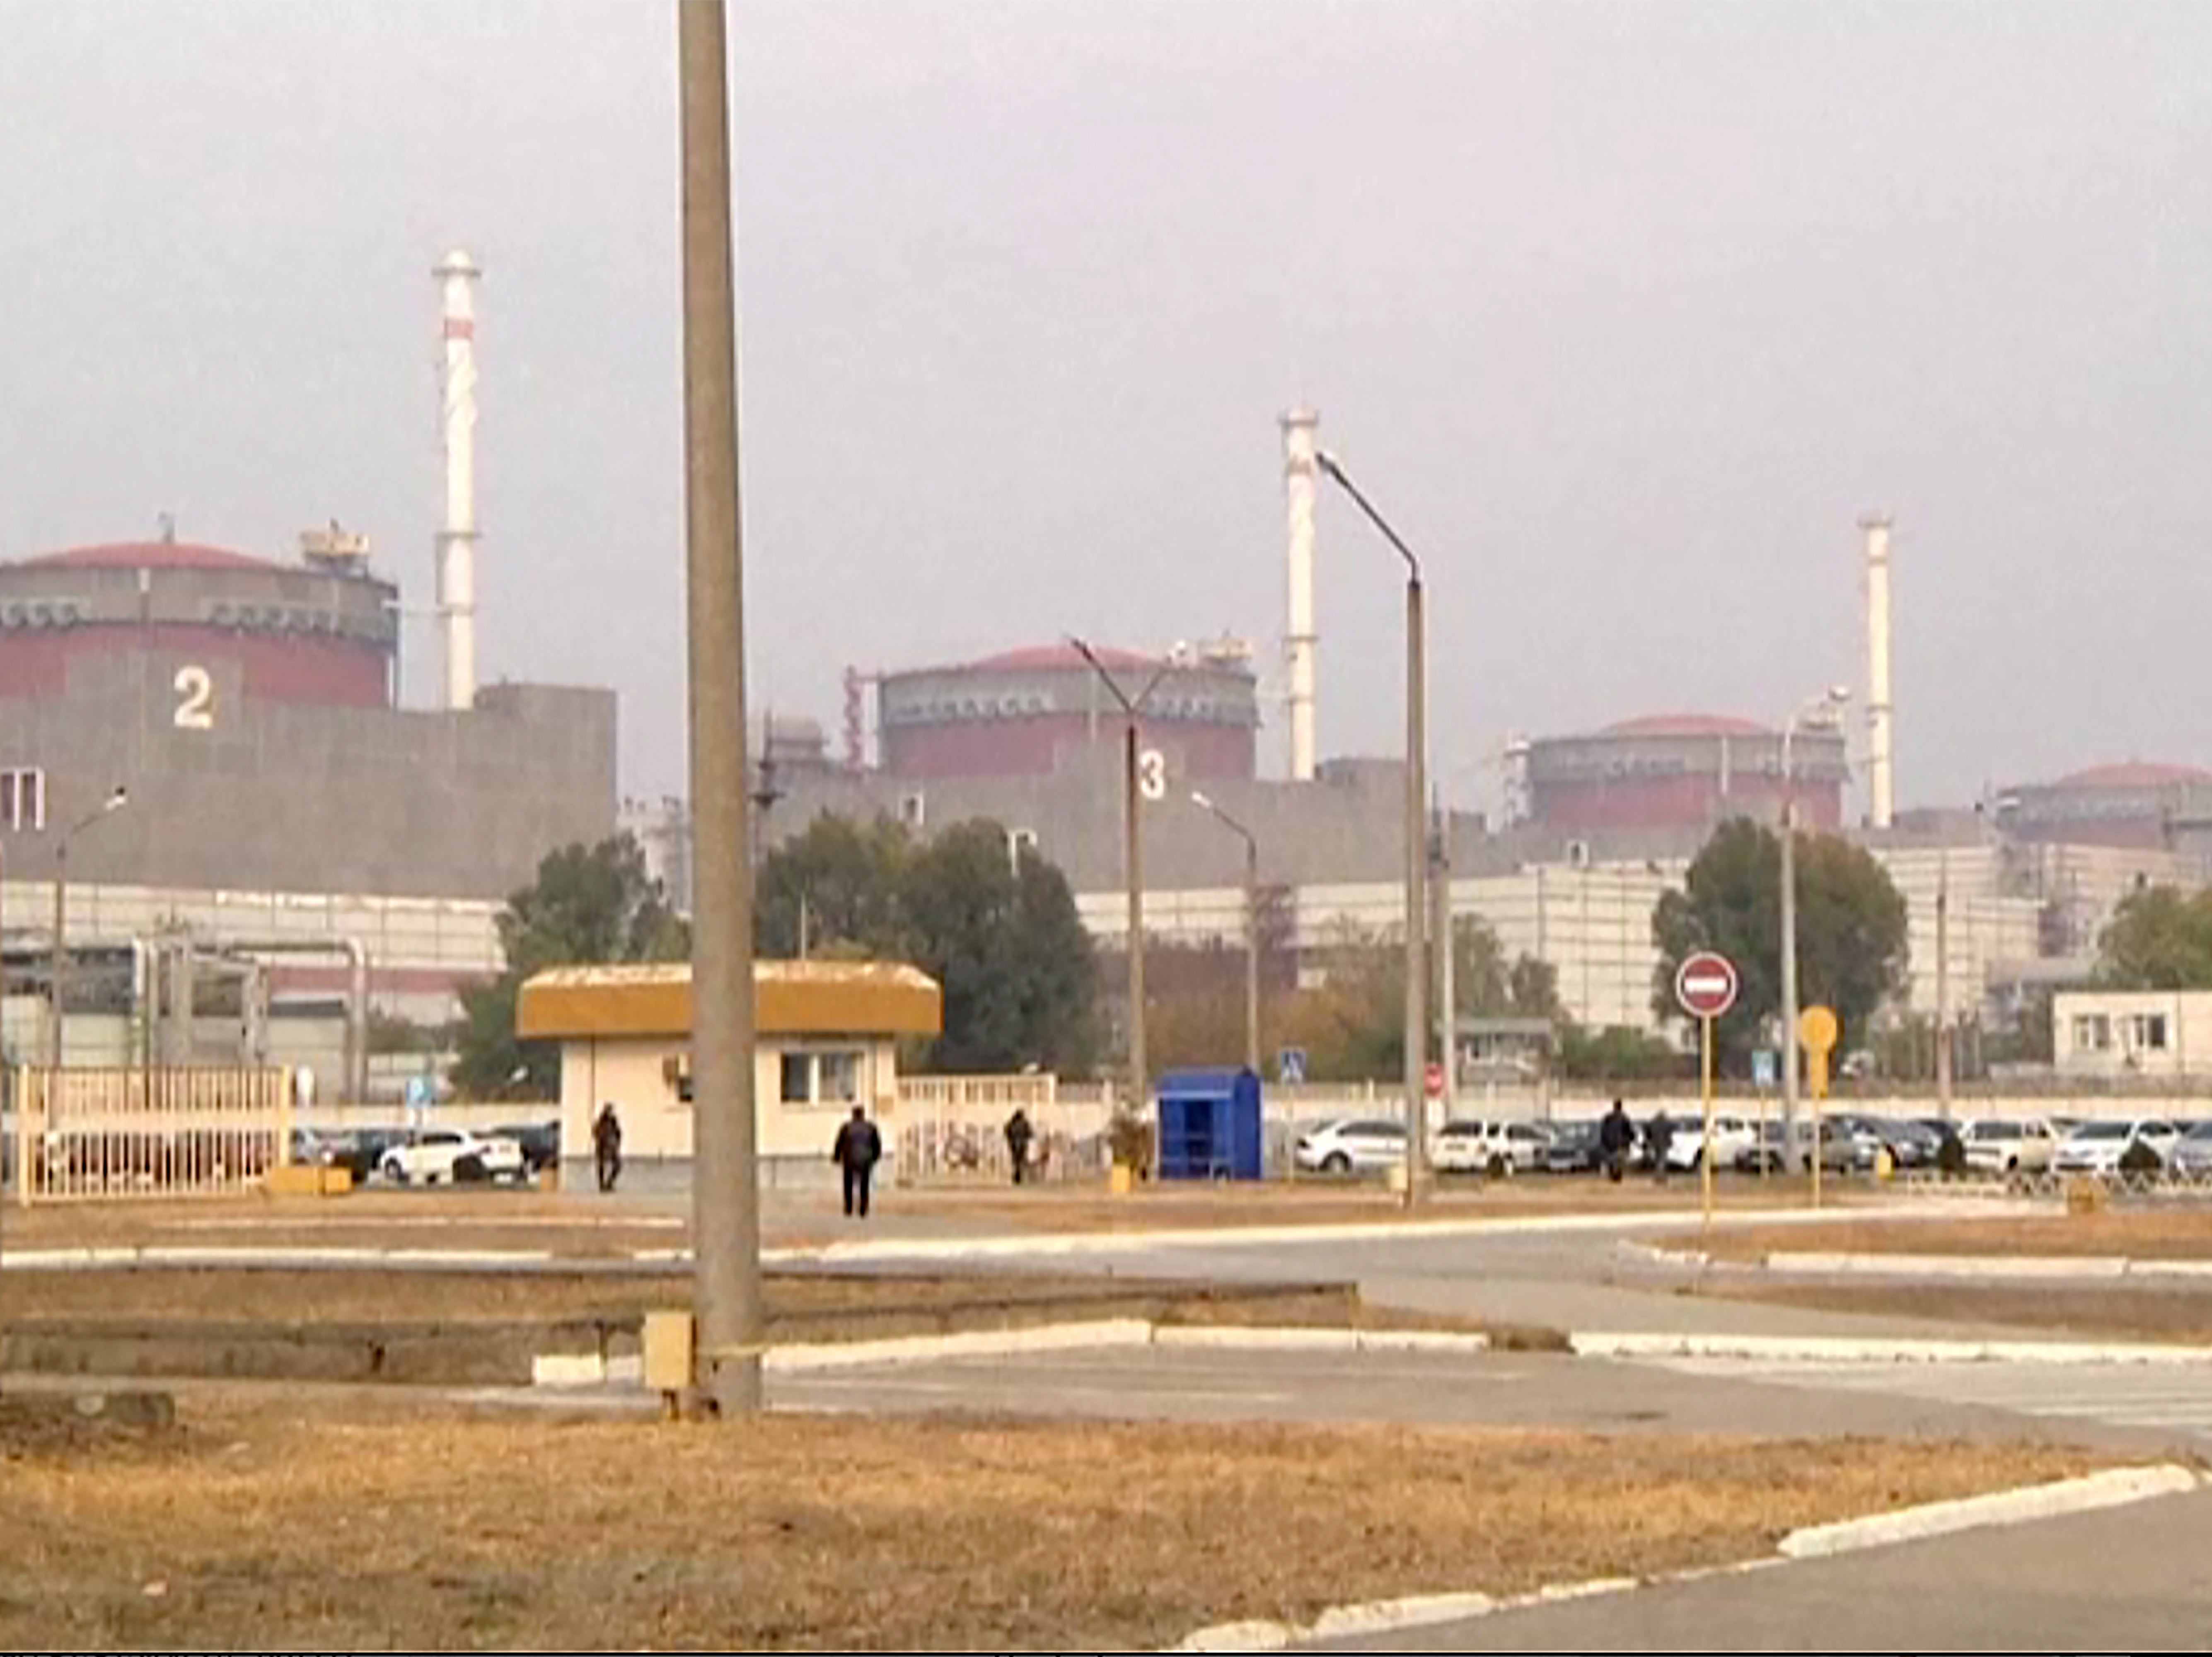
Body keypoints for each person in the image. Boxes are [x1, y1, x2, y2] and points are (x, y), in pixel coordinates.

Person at [831, 1104, 883, 1220]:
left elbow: (839, 1143)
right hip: (865, 1160)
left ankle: (848, 1208)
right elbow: (877, 1144)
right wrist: (876, 1157)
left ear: (853, 1115)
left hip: (849, 1159)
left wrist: (836, 1157)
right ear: (863, 1115)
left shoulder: (846, 1127)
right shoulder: (871, 1127)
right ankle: (863, 1208)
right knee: (864, 1185)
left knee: (848, 1184)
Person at [1598, 1098, 1634, 1184]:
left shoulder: (1608, 1118)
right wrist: (1631, 1139)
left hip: (1609, 1143)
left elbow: (1603, 1130)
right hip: (1621, 1142)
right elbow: (1628, 1131)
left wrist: (1604, 1140)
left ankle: (1612, 1174)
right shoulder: (1625, 1118)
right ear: (1621, 1107)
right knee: (1619, 1161)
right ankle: (1617, 1176)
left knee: (1611, 1160)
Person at [592, 1102, 623, 1193]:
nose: (611, 1113)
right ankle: (602, 1185)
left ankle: (609, 1183)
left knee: (618, 1166)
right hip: (603, 1147)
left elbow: (618, 1133)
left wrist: (617, 1143)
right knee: (601, 1166)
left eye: (611, 1111)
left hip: (612, 1147)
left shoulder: (614, 1122)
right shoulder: (600, 1122)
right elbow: (596, 1133)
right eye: (609, 1110)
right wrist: (600, 1141)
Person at [1004, 1108, 1034, 1187]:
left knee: (1016, 1161)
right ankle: (1018, 1176)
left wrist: (1010, 1140)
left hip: (1014, 1144)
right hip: (1022, 1144)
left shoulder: (1012, 1123)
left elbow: (1007, 1132)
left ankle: (1016, 1176)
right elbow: (1030, 1134)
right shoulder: (1025, 1124)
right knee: (1021, 1161)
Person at [1647, 1109, 1675, 1185]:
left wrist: (1650, 1141)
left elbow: (1648, 1132)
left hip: (1655, 1143)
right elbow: (1672, 1129)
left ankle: (1658, 1177)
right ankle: (1661, 1177)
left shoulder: (1652, 1123)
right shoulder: (1667, 1123)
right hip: (1664, 1143)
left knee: (1657, 1160)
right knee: (1662, 1160)